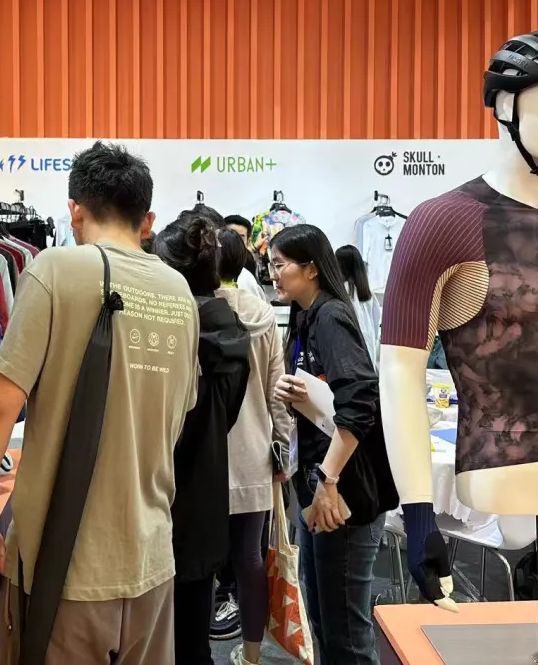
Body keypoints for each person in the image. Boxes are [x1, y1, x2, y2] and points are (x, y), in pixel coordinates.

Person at [0, 142, 200, 665]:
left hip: (63, 569)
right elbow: (180, 411)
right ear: (147, 220)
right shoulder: (178, 290)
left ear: (75, 211)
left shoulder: (56, 270)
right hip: (152, 561)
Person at [270, 224, 395, 665]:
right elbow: (331, 393)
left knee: (345, 629)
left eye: (280, 265)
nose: (273, 274)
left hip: (343, 488)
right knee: (325, 618)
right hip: (319, 483)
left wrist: (329, 480)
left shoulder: (330, 316)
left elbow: (361, 401)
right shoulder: (305, 316)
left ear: (310, 269)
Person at [156, 216, 251, 665]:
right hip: (207, 494)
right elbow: (227, 416)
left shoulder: (170, 335)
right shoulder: (232, 329)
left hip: (162, 497)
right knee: (193, 637)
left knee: (158, 638)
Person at [214, 228, 293, 665]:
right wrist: (282, 447)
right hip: (253, 453)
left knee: (193, 560)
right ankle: (252, 655)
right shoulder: (262, 315)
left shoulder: (194, 311)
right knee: (249, 559)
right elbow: (277, 393)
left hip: (201, 457)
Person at [335, 244, 379, 365]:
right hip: (368, 353)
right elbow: (375, 326)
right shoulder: (369, 295)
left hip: (348, 357)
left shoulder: (339, 293)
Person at [223, 215, 263, 298]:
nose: (234, 242)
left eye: (240, 238)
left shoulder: (248, 270)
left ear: (248, 241)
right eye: (229, 236)